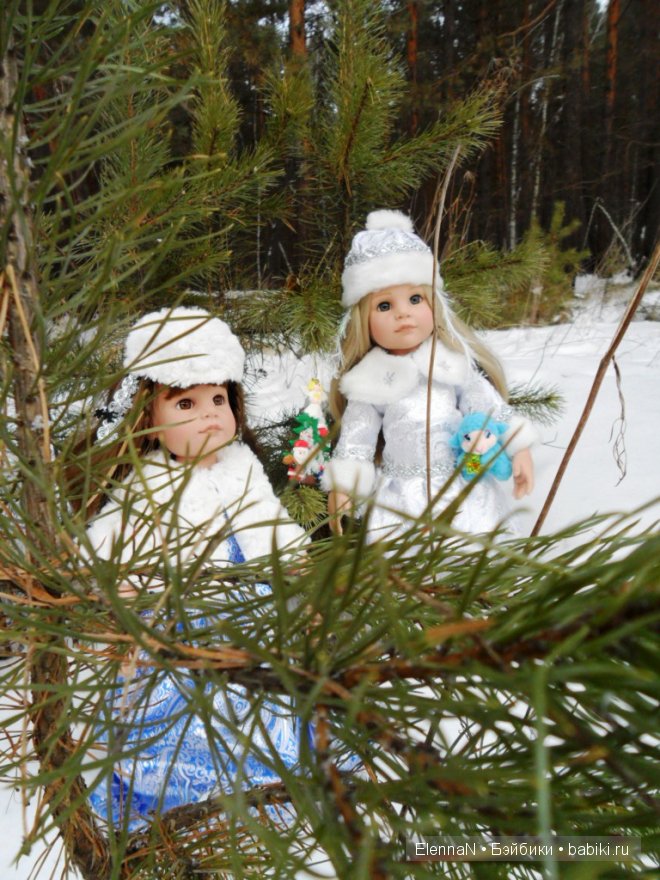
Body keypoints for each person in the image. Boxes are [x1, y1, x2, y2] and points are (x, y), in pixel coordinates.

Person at [82, 307, 308, 831]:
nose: (209, 415)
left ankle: (259, 781)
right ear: (148, 415)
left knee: (259, 697)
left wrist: (292, 563)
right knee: (178, 709)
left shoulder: (242, 467)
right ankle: (181, 790)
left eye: (218, 400)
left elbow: (268, 524)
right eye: (186, 402)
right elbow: (117, 547)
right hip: (174, 623)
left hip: (247, 614)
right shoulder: (147, 480)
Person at [321, 210, 538, 542]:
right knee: (407, 559)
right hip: (402, 499)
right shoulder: (368, 382)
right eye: (384, 306)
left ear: (434, 305)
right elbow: (356, 441)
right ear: (363, 320)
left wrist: (517, 447)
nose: (403, 313)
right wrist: (344, 487)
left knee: (473, 549)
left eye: (415, 299)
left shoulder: (451, 365)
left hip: (463, 486)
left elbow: (487, 407)